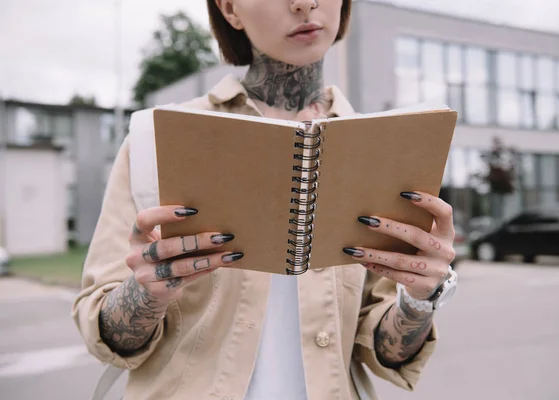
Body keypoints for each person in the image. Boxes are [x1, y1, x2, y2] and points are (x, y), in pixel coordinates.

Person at [72, 0, 458, 399]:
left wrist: (419, 299)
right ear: (229, 9)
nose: (304, 3)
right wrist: (145, 295)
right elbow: (104, 330)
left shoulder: (383, 148)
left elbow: (385, 350)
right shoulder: (156, 139)